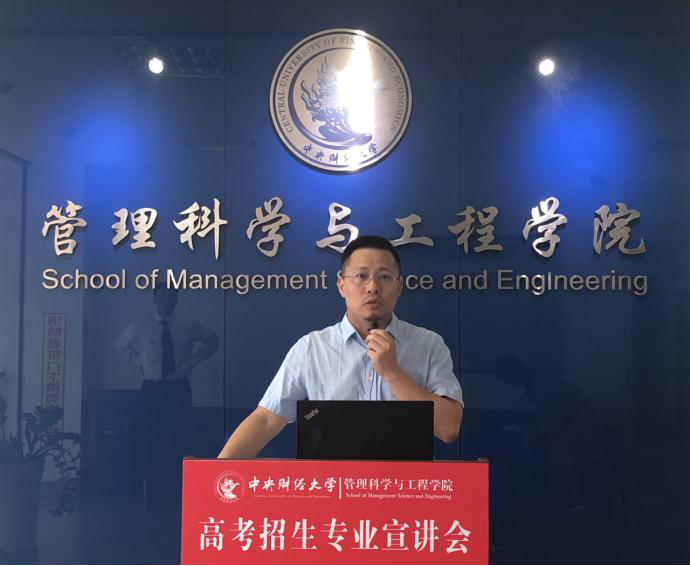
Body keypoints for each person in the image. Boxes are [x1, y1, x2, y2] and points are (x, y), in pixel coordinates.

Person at [218, 235, 463, 459]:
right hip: (333, 489)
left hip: (407, 488)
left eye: (384, 277)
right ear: (341, 285)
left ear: (399, 286)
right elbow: (266, 420)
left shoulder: (429, 344)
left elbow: (448, 429)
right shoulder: (311, 348)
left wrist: (392, 372)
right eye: (361, 276)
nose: (372, 287)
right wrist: (215, 475)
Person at [116, 284, 219, 507]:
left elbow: (212, 340)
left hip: (178, 388)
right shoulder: (141, 324)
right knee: (149, 438)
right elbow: (122, 345)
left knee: (180, 437)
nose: (166, 300)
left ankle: (181, 489)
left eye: (170, 296)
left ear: (177, 299)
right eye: (162, 296)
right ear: (154, 299)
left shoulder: (187, 324)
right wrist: (139, 363)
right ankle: (155, 492)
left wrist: (194, 361)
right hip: (151, 389)